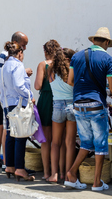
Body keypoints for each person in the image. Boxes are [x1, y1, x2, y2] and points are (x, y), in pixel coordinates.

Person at [64, 27, 112, 191]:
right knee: (100, 145)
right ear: (107, 43)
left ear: (93, 40)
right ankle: (96, 183)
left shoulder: (76, 56)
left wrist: (84, 89)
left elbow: (70, 81)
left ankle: (72, 174)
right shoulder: (109, 59)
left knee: (86, 143)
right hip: (96, 105)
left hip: (79, 105)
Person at [0, 40, 34, 181]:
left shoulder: (3, 66)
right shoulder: (18, 65)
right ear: (20, 53)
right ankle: (20, 168)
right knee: (20, 136)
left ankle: (10, 166)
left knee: (10, 135)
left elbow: (3, 88)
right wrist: (29, 95)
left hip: (7, 104)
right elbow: (19, 85)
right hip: (18, 103)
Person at [48, 47, 75, 184]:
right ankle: (68, 173)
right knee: (70, 143)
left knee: (56, 142)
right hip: (72, 106)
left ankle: (54, 174)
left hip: (57, 105)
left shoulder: (51, 71)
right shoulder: (72, 72)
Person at [34, 39, 59, 180]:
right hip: (60, 100)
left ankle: (46, 173)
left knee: (45, 141)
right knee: (59, 140)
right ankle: (60, 172)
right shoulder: (61, 64)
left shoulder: (43, 65)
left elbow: (37, 86)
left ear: (45, 51)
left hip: (46, 101)